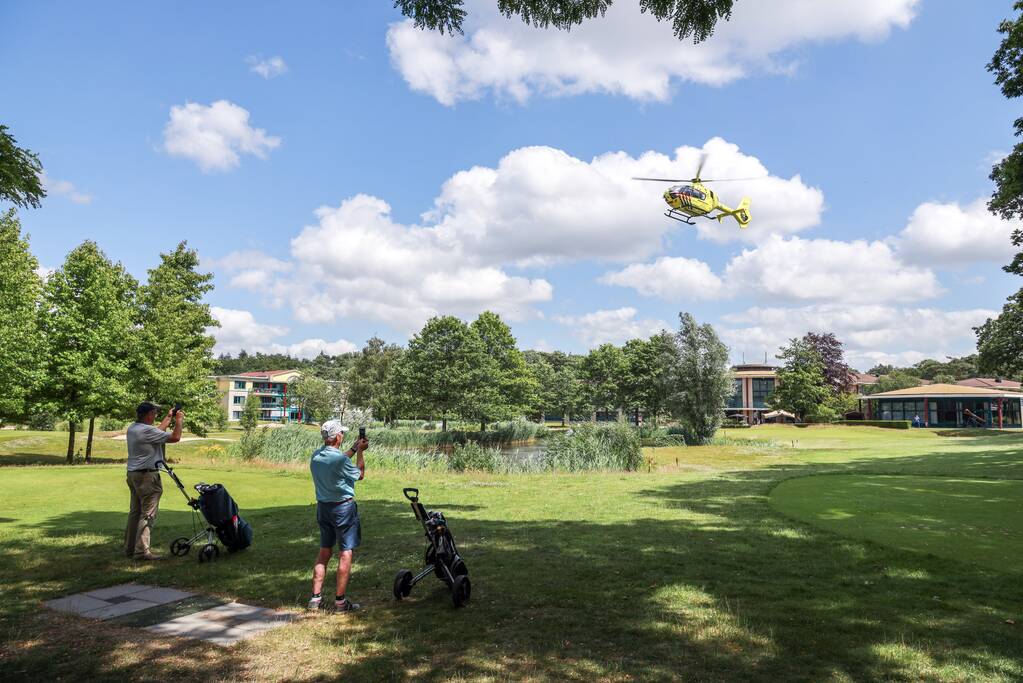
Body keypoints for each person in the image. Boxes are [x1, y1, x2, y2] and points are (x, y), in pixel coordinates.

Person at [308, 420, 368, 613]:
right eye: (341, 433)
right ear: (338, 437)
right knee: (345, 553)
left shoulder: (316, 456)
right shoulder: (340, 461)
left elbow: (337, 461)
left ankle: (315, 599)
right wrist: (360, 451)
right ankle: (340, 602)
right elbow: (359, 474)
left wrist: (352, 447)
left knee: (324, 552)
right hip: (343, 509)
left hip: (323, 509)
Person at [125, 401, 183, 560]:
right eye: (154, 413)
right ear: (149, 415)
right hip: (147, 477)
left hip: (133, 475)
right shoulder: (146, 431)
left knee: (135, 513)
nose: (156, 415)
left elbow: (156, 432)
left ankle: (130, 548)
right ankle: (141, 552)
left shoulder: (134, 428)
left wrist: (168, 418)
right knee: (147, 514)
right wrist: (179, 420)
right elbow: (175, 437)